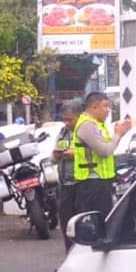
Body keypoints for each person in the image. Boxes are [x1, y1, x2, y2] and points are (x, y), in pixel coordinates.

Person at [72, 91, 132, 219]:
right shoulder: (87, 125)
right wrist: (118, 134)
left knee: (103, 219)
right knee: (96, 221)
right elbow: (104, 151)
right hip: (92, 183)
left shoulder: (97, 124)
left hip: (100, 181)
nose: (108, 110)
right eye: (105, 106)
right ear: (94, 107)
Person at [52, 101, 80, 250]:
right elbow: (54, 155)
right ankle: (69, 256)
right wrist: (56, 155)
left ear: (79, 116)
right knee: (67, 224)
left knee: (80, 225)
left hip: (80, 183)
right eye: (65, 119)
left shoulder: (84, 131)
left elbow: (94, 152)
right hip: (64, 184)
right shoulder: (62, 132)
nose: (67, 122)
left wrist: (75, 154)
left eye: (70, 119)